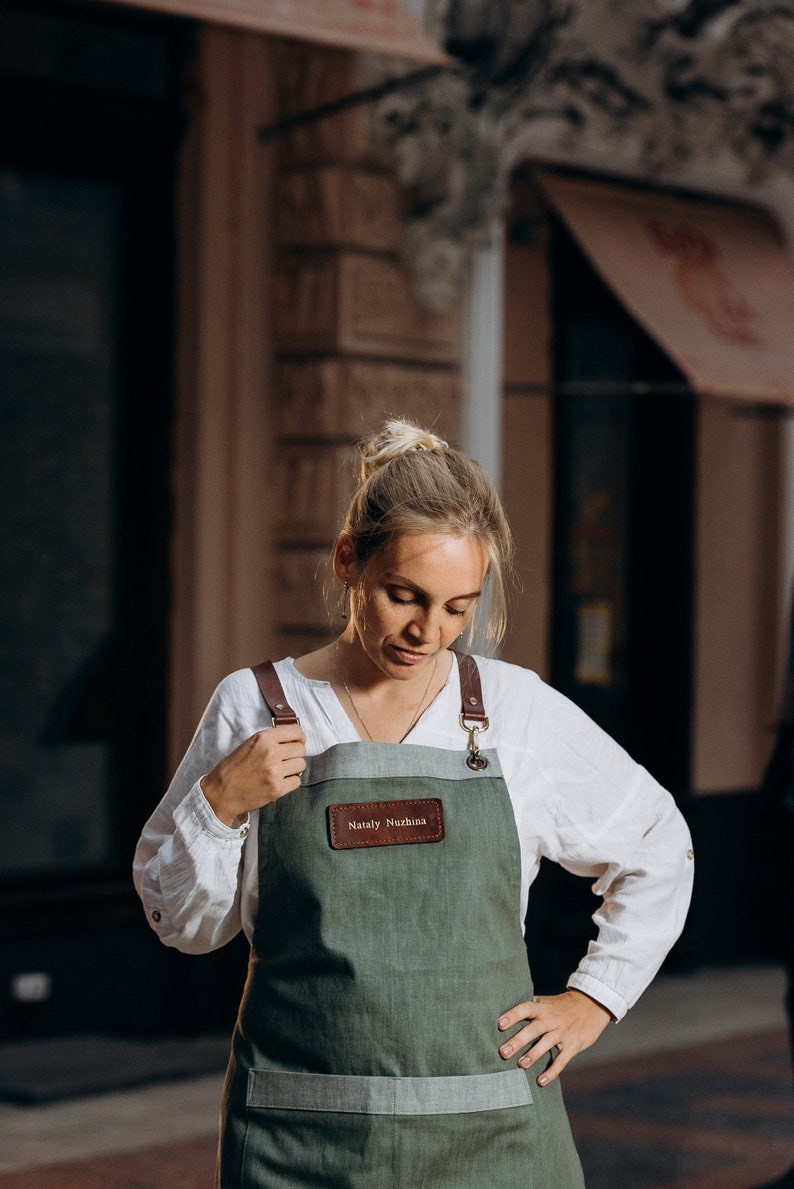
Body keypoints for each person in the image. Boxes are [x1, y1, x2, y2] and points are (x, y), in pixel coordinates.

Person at [134, 419, 694, 1188]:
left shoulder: (512, 710)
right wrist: (219, 804)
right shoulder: (256, 704)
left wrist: (593, 999)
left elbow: (660, 842)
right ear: (347, 561)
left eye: (459, 607)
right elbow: (188, 927)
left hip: (494, 1139)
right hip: (299, 1143)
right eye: (405, 595)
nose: (429, 632)